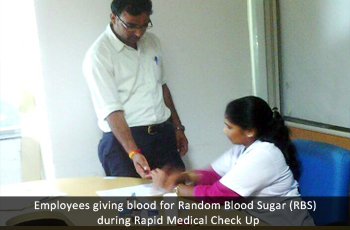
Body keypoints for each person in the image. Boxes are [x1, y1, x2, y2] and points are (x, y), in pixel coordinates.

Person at [151, 96, 315, 226]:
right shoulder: (242, 148)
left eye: (229, 127)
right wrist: (183, 177)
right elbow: (212, 174)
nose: (224, 131)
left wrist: (176, 188)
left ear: (249, 131)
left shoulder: (264, 155)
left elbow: (218, 195)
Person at [83, 0, 187, 178]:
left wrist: (177, 128)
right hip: (124, 142)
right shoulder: (99, 55)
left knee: (175, 198)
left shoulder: (152, 42)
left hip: (162, 135)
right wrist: (133, 152)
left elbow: (161, 87)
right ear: (113, 18)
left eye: (144, 25)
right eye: (131, 26)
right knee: (134, 203)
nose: (138, 33)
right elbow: (111, 110)